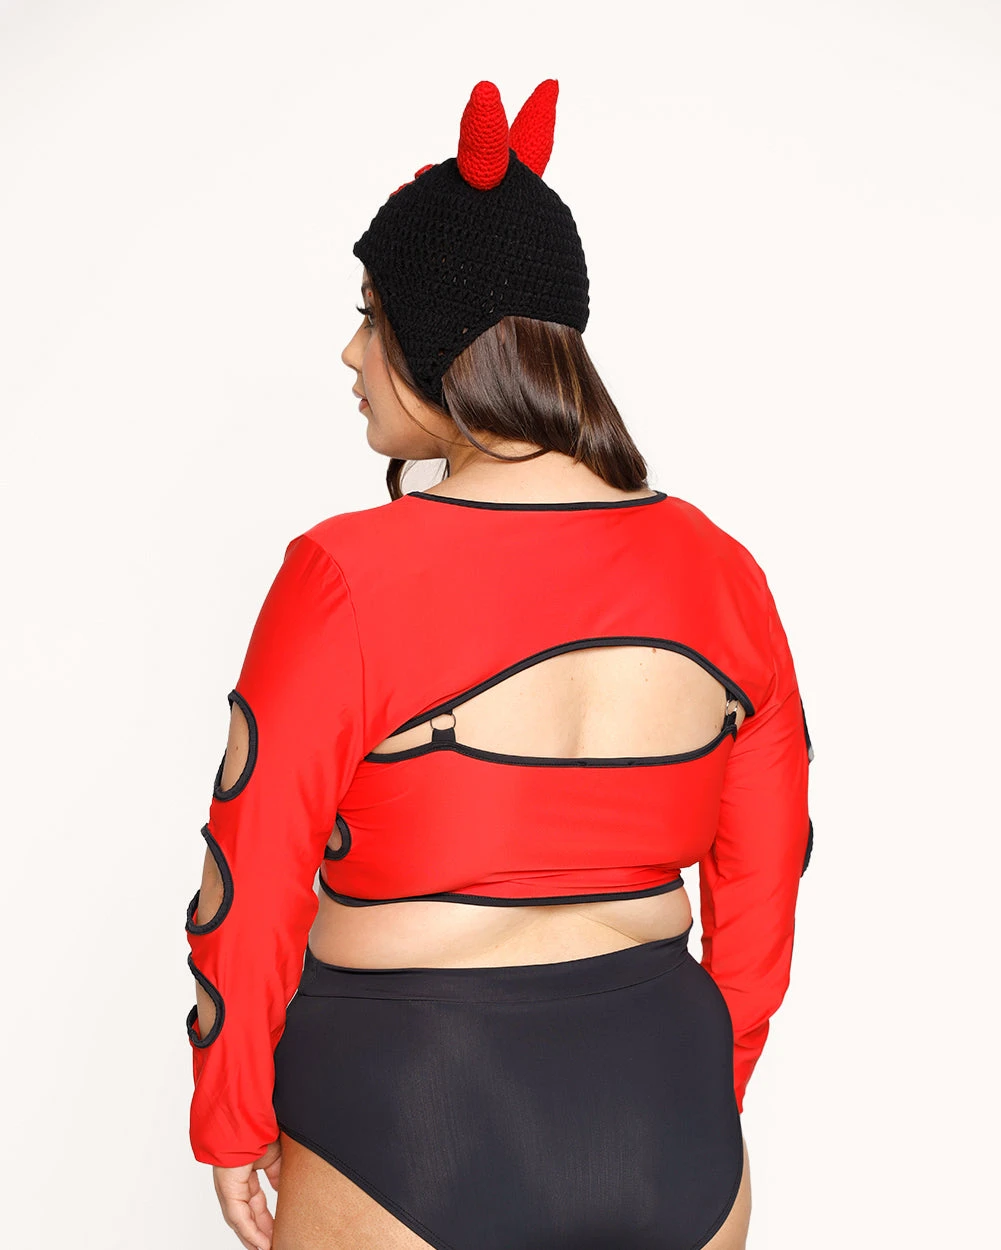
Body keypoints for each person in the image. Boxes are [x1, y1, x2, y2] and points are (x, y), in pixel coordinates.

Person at [183, 78, 814, 1250]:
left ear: (437, 338)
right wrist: (702, 1087)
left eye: (371, 315)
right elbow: (763, 879)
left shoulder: (341, 575)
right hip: (666, 1106)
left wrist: (228, 1114)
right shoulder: (722, 571)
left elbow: (254, 866)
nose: (350, 351)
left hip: (406, 1106)